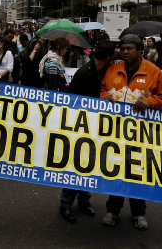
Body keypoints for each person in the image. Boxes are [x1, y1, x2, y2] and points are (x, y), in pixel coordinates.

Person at [100, 34, 162, 230]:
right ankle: (112, 210)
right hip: (115, 131)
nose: (125, 51)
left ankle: (139, 213)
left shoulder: (154, 72)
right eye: (123, 48)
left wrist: (150, 101)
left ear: (140, 51)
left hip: (141, 134)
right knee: (115, 170)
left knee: (138, 173)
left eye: (129, 48)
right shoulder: (113, 69)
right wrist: (106, 97)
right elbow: (102, 89)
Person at [59, 42, 116, 223]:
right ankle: (65, 204)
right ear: (107, 58)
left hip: (94, 127)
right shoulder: (84, 73)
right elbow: (71, 102)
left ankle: (84, 200)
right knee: (76, 166)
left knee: (88, 166)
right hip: (79, 127)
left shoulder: (102, 72)